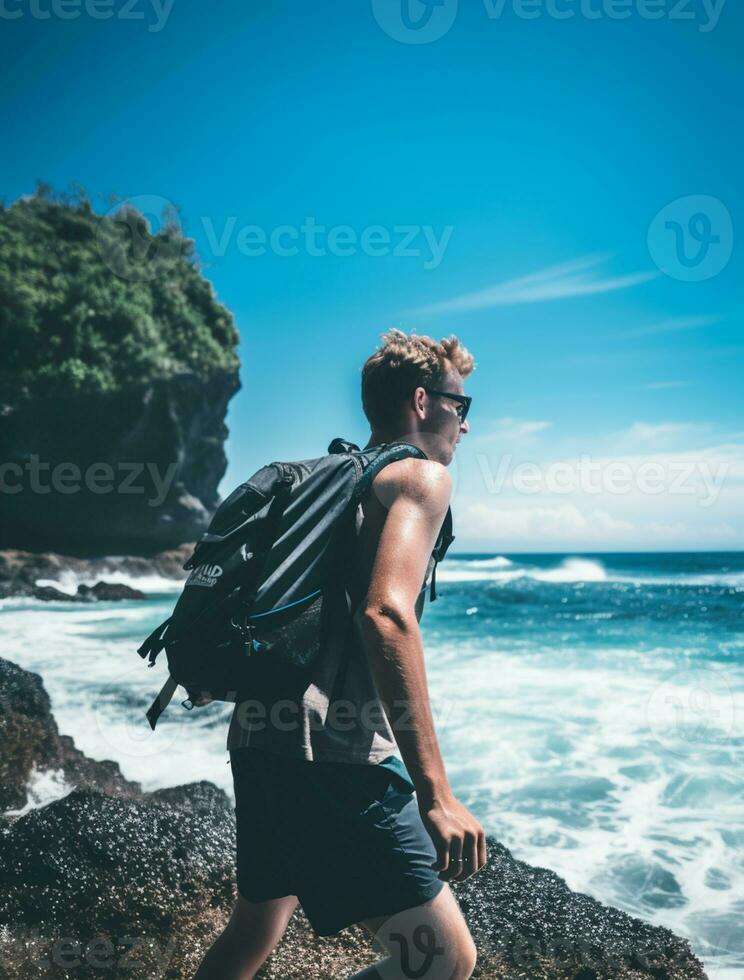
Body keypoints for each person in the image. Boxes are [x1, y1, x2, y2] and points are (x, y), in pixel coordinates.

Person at [194, 329, 485, 980]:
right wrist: (435, 793)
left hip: (259, 740)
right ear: (422, 401)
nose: (465, 426)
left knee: (251, 932)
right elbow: (386, 614)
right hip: (334, 758)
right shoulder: (420, 477)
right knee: (444, 959)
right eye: (460, 408)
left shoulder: (328, 480)